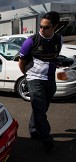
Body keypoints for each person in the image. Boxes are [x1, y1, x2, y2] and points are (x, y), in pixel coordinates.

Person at [18, 11, 62, 152]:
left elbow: (55, 57)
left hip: (50, 79)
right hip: (35, 79)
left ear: (54, 26)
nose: (42, 29)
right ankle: (47, 139)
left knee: (40, 109)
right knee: (40, 110)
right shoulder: (30, 41)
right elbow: (21, 62)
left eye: (46, 27)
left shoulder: (59, 39)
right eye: (40, 26)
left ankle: (34, 130)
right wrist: (28, 74)